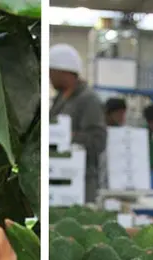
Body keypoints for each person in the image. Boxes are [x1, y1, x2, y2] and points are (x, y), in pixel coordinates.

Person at [50, 43, 107, 203]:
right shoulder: (60, 99)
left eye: (52, 72)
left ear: (65, 72)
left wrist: (65, 137)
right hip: (57, 179)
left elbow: (98, 140)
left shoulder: (88, 100)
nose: (49, 77)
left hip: (80, 182)